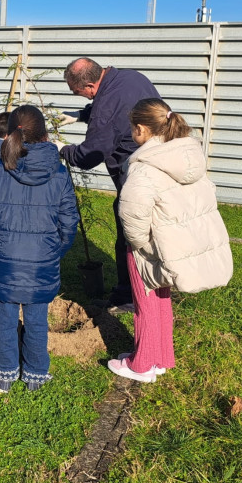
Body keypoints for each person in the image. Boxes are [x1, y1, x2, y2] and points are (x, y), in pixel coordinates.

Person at [110, 99, 233, 382]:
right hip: (174, 244)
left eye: (132, 127)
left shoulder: (144, 166)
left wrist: (137, 243)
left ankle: (141, 365)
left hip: (151, 245)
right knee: (162, 299)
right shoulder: (186, 157)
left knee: (145, 302)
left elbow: (132, 211)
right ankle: (161, 358)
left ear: (141, 129)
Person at [0, 105, 79, 393]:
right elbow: (69, 221)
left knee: (4, 318)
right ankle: (34, 374)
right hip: (41, 259)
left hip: (2, 258)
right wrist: (55, 251)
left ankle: (4, 373)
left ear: (8, 134)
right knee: (36, 320)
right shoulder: (59, 172)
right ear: (45, 134)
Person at [58, 57, 161, 310]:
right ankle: (155, 283)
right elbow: (116, 107)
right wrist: (82, 115)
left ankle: (129, 296)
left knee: (130, 233)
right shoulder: (129, 77)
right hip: (159, 166)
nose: (82, 97)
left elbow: (89, 155)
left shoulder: (105, 105)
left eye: (79, 94)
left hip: (133, 175)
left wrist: (62, 150)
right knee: (153, 230)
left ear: (91, 86)